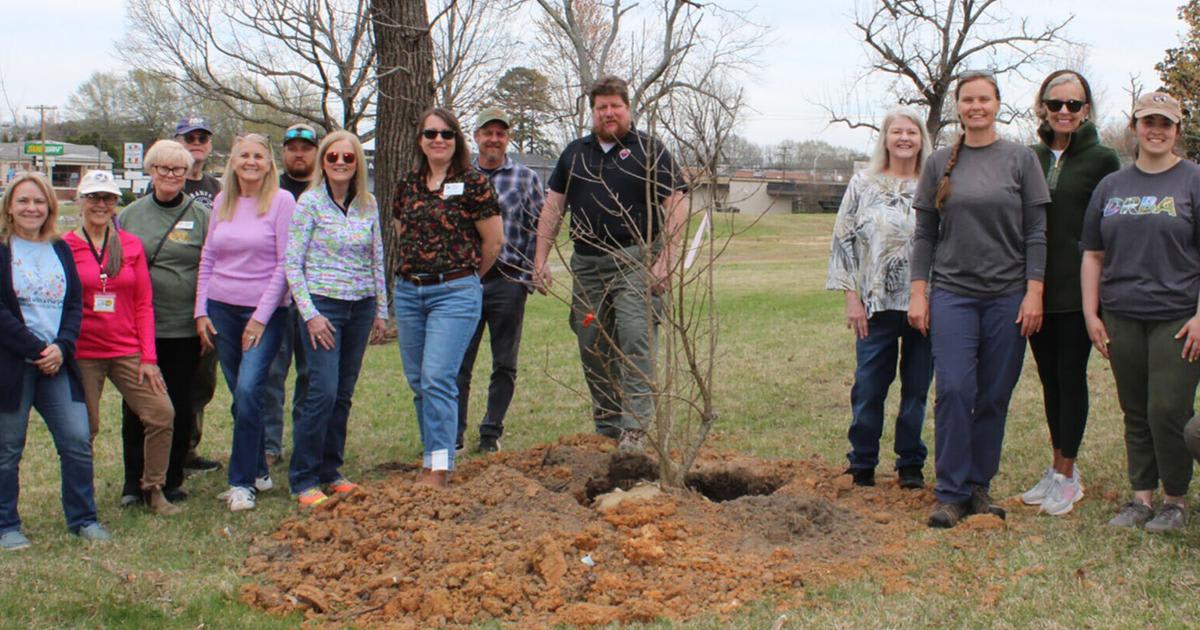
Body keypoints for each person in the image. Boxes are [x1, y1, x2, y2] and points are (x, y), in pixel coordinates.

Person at [909, 71, 1050, 529]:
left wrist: (1034, 292)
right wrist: (919, 293)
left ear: (997, 104)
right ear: (958, 105)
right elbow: (925, 234)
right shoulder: (940, 163)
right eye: (968, 99)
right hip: (953, 295)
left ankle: (978, 487)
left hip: (1007, 297)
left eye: (984, 99)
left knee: (993, 395)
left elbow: (1036, 233)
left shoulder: (1020, 159)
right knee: (952, 390)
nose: (976, 107)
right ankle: (949, 493)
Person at [532, 76, 687, 449]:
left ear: (628, 109)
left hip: (634, 262)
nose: (609, 113)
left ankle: (635, 428)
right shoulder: (574, 153)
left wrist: (666, 260)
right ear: (592, 112)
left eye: (616, 105)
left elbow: (677, 205)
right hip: (587, 267)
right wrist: (540, 258)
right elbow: (553, 207)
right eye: (601, 107)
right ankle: (607, 425)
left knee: (636, 338)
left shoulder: (649, 150)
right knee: (591, 343)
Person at [1081, 91, 1200, 533]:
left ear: (1176, 131)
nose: (1156, 130)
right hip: (1122, 313)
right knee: (1134, 409)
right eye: (1148, 121)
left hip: (1177, 315)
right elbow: (1093, 254)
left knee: (1168, 408)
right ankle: (1140, 498)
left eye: (1165, 123)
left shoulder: (1192, 180)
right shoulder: (1112, 186)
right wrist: (1092, 314)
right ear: (1135, 127)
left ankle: (1175, 500)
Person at [1020, 70, 1121, 516]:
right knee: (1048, 380)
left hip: (1081, 292)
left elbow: (1112, 228)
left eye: (1073, 105)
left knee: (1070, 375)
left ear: (1086, 110)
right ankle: (1055, 465)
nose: (1064, 112)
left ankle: (1068, 473)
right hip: (1037, 289)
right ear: (1042, 106)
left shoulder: (1103, 160)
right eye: (1055, 103)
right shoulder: (1029, 158)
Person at [392, 107, 503, 487]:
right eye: (430, 133)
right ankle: (433, 454)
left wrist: (463, 279)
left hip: (454, 293)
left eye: (446, 134)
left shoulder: (473, 184)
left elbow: (493, 243)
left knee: (438, 376)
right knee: (418, 380)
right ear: (420, 140)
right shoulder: (407, 185)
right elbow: (401, 232)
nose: (438, 140)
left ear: (457, 140)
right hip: (409, 293)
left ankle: (439, 468)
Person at [0, 172, 111, 550]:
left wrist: (62, 347)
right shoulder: (2, 248)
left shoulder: (59, 248)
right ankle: (6, 525)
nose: (31, 208)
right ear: (10, 207)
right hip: (13, 365)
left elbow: (75, 303)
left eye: (38, 201)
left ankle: (83, 519)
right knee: (8, 448)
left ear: (50, 206)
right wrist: (35, 348)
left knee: (77, 439)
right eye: (23, 201)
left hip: (57, 362)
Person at [826, 107, 933, 489]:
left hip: (925, 305)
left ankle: (910, 464)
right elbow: (842, 242)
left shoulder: (935, 185)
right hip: (875, 306)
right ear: (885, 139)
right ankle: (862, 462)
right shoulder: (862, 183)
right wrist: (851, 298)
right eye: (897, 132)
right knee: (869, 387)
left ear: (922, 140)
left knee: (917, 389)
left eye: (912, 133)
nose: (904, 138)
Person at [64, 171, 179, 516]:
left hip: (126, 348)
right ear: (80, 201)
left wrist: (148, 357)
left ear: (116, 204)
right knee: (86, 427)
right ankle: (82, 499)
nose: (101, 205)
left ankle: (153, 488)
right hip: (83, 352)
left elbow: (143, 303)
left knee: (162, 413)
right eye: (94, 197)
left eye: (108, 198)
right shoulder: (65, 246)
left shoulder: (129, 245)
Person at [285, 130, 388, 507]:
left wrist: (381, 310)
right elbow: (292, 264)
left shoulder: (368, 203)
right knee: (322, 391)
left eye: (348, 158)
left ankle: (331, 470)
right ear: (322, 162)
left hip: (359, 307)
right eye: (333, 158)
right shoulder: (309, 203)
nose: (341, 163)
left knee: (343, 393)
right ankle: (303, 477)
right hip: (323, 307)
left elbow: (377, 257)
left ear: (358, 163)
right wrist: (309, 314)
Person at [195, 133, 295, 511]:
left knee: (251, 389)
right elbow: (208, 259)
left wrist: (259, 318)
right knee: (241, 395)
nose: (251, 162)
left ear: (269, 163)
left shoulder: (282, 201)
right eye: (243, 156)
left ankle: (240, 483)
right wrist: (201, 311)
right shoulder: (223, 201)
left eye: (259, 156)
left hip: (265, 313)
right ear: (233, 162)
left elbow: (285, 265)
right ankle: (257, 470)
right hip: (221, 308)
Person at [120, 140, 210, 505]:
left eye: (177, 169)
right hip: (139, 329)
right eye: (162, 168)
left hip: (184, 328)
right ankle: (133, 483)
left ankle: (170, 479)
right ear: (150, 171)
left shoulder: (202, 216)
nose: (170, 175)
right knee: (137, 407)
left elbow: (210, 266)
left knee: (180, 404)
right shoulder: (130, 215)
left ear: (188, 173)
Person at [455, 108, 545, 454]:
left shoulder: (525, 178)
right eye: (487, 132)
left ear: (508, 138)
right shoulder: (458, 177)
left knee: (504, 362)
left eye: (501, 133)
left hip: (509, 280)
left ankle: (490, 433)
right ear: (476, 137)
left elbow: (540, 226)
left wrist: (537, 267)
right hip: (465, 282)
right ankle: (456, 434)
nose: (494, 139)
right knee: (460, 362)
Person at [264, 123, 320, 468]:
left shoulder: (324, 189)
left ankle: (305, 439)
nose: (299, 153)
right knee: (271, 373)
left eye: (306, 147)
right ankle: (270, 444)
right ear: (283, 152)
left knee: (311, 374)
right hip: (276, 296)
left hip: (315, 295)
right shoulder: (271, 191)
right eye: (292, 147)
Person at [173, 114, 223, 476]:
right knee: (173, 373)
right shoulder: (166, 181)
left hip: (211, 291)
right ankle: (167, 450)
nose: (196, 144)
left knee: (202, 377)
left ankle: (190, 447)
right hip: (175, 293)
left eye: (202, 139)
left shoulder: (217, 187)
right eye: (189, 138)